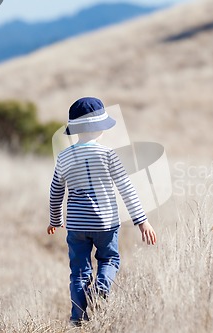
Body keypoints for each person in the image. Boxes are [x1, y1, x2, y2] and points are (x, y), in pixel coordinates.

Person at [47, 97, 157, 326]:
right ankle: (101, 288)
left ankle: (78, 319)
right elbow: (127, 189)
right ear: (99, 128)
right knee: (109, 259)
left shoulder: (64, 157)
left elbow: (56, 191)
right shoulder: (108, 154)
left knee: (78, 271)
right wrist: (142, 221)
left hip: (76, 226)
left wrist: (54, 220)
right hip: (106, 223)